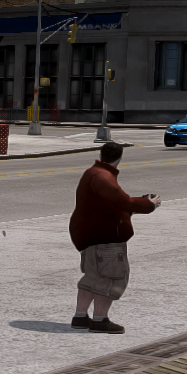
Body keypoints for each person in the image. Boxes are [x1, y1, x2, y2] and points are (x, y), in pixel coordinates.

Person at [70, 141, 159, 334]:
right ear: (120, 157)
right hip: (105, 238)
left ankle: (80, 317)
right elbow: (124, 202)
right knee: (112, 278)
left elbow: (109, 205)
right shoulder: (103, 176)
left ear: (101, 155)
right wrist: (149, 204)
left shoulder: (92, 173)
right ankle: (100, 320)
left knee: (92, 277)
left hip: (90, 236)